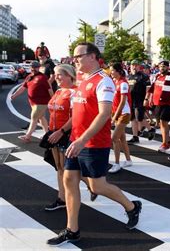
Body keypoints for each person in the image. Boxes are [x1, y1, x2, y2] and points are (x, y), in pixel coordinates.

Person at [47, 43, 142, 246]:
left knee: (97, 186)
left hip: (93, 143)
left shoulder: (103, 81)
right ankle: (72, 230)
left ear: (92, 56)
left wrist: (82, 140)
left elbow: (104, 113)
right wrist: (63, 131)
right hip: (76, 140)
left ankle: (132, 207)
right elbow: (78, 113)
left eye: (78, 56)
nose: (75, 60)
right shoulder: (82, 80)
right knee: (69, 180)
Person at [44, 64, 76, 211]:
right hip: (53, 132)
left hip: (65, 134)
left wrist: (61, 131)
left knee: (67, 169)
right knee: (59, 169)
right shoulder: (58, 91)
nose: (56, 77)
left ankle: (92, 186)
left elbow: (75, 117)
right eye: (55, 75)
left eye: (59, 75)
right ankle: (61, 198)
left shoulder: (74, 93)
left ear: (69, 75)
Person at [145, 60, 170, 152]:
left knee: (163, 122)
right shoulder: (157, 76)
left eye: (164, 66)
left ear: (168, 67)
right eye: (160, 66)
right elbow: (152, 89)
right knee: (161, 123)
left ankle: (164, 144)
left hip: (168, 103)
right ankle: (168, 141)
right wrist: (147, 99)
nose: (162, 68)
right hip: (157, 103)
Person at [11, 61, 53, 142]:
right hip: (33, 103)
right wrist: (14, 95)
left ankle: (27, 136)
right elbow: (23, 88)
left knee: (34, 117)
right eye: (32, 67)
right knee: (41, 118)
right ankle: (47, 134)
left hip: (42, 102)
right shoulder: (29, 77)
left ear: (39, 67)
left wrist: (53, 99)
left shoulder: (43, 77)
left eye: (36, 67)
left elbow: (49, 89)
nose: (34, 69)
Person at [108, 63, 133, 173]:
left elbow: (123, 102)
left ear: (118, 71)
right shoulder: (115, 82)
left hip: (124, 114)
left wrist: (114, 117)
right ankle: (128, 160)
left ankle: (117, 163)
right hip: (117, 113)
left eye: (112, 70)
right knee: (121, 138)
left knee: (114, 138)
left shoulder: (123, 83)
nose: (111, 72)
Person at [127, 60, 152, 143]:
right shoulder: (129, 76)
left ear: (139, 66)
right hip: (131, 100)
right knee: (132, 118)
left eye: (136, 65)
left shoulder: (143, 76)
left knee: (139, 118)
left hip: (140, 99)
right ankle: (135, 137)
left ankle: (150, 129)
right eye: (132, 65)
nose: (134, 67)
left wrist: (147, 99)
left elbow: (148, 88)